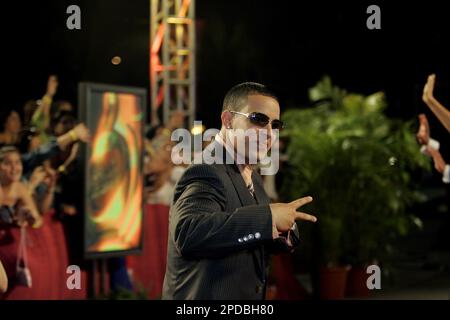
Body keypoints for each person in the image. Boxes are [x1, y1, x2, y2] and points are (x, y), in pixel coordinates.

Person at [162, 82, 317, 300]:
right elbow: (189, 234)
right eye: (258, 120)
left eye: (275, 125)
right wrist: (268, 218)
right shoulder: (206, 169)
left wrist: (283, 229)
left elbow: (247, 234)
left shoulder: (252, 176)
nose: (269, 133)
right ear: (228, 120)